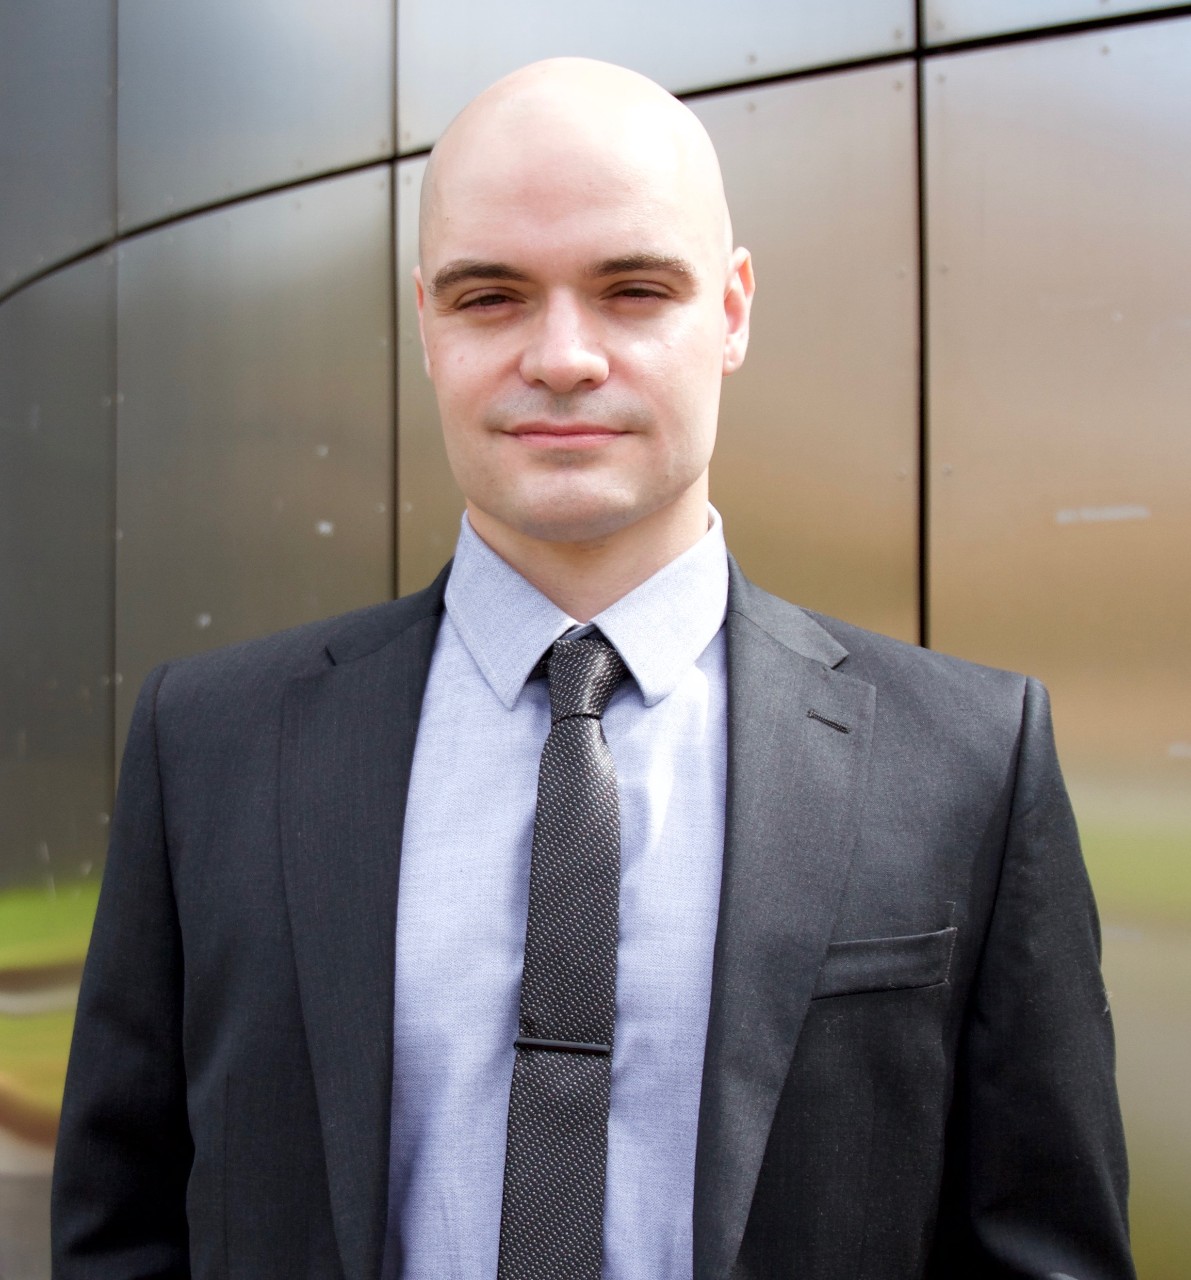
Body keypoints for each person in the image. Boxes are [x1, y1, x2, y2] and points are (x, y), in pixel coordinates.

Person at [52, 57, 1134, 1280]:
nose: (563, 357)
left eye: (633, 289)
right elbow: (119, 1233)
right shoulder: (210, 745)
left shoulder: (972, 760)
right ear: (425, 322)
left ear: (731, 311)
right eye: (491, 296)